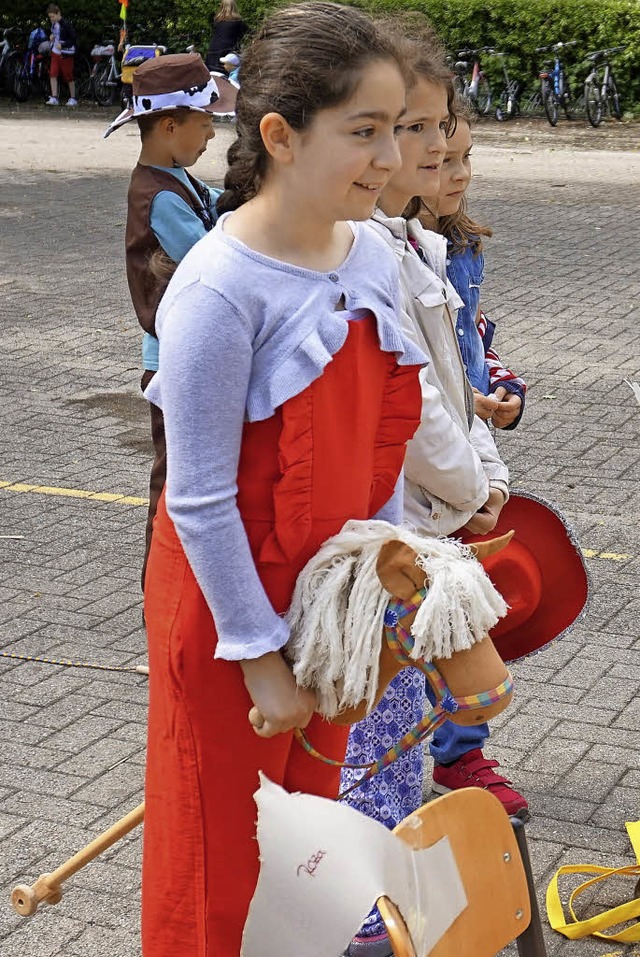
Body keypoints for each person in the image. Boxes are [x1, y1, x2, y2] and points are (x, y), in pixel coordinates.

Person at [140, 5, 425, 956]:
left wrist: (373, 588)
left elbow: (383, 440)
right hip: (233, 622)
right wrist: (258, 648)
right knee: (223, 866)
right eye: (365, 131)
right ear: (279, 135)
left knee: (309, 854)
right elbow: (200, 496)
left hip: (323, 614)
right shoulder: (221, 288)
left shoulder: (375, 253)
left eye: (400, 127)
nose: (391, 157)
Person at [340, 30, 515, 957]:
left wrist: (489, 474)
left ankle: (389, 898)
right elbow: (411, 412)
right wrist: (468, 484)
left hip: (430, 522)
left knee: (409, 728)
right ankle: (365, 914)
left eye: (436, 124)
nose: (425, 147)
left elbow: (457, 377)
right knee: (378, 733)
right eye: (405, 125)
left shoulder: (416, 244)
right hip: (393, 536)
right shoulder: (362, 252)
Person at [103, 52, 222, 587]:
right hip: (172, 360)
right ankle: (161, 588)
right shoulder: (158, 195)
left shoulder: (175, 179)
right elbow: (211, 258)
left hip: (185, 354)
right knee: (174, 481)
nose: (211, 137)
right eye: (205, 124)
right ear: (170, 125)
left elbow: (218, 203)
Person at [421, 110, 527, 430]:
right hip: (433, 438)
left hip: (475, 437)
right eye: (445, 161)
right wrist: (462, 399)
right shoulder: (402, 257)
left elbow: (473, 333)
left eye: (466, 157)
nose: (462, 174)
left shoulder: (465, 244)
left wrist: (503, 382)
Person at [45, 3, 77, 106]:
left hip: (65, 53)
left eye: (52, 16)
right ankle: (54, 97)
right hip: (55, 52)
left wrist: (63, 45)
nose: (51, 19)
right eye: (50, 17)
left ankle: (73, 98)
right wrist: (51, 37)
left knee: (68, 76)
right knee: (52, 74)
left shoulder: (66, 25)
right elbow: (55, 34)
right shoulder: (54, 24)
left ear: (58, 14)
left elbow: (73, 39)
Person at [205, 0, 248, 71]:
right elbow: (250, 33)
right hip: (226, 53)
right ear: (234, 7)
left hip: (212, 52)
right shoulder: (238, 22)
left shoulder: (217, 21)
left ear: (222, 7)